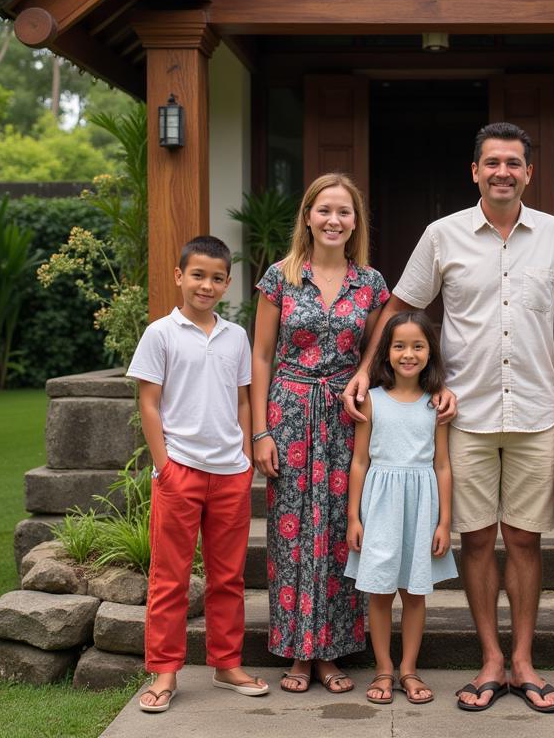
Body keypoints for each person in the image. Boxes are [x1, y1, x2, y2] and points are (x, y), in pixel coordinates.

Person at [344, 122, 554, 713]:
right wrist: (369, 369)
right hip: (462, 413)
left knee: (523, 540)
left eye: (513, 163)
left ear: (528, 172)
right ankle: (490, 660)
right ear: (475, 171)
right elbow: (400, 304)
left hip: (537, 412)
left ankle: (523, 661)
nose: (502, 172)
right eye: (491, 162)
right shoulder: (441, 235)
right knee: (475, 541)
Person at [250, 174, 391, 694]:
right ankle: (296, 654)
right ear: (307, 216)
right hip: (288, 415)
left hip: (345, 417)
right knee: (290, 534)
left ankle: (330, 654)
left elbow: (377, 354)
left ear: (356, 223)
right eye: (325, 211)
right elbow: (261, 356)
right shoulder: (279, 278)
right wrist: (260, 430)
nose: (334, 221)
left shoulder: (371, 284)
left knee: (339, 532)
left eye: (345, 212)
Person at [128, 235, 266, 714]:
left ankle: (227, 664)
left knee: (227, 577)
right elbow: (148, 401)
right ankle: (165, 672)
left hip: (231, 472)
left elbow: (245, 399)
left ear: (227, 283)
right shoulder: (160, 334)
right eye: (198, 275)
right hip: (180, 470)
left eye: (216, 278)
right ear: (179, 276)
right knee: (171, 578)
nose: (206, 285)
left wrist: (246, 457)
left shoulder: (236, 336)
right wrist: (164, 466)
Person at [345, 310, 458, 706]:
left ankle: (409, 669)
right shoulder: (372, 400)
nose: (408, 354)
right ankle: (383, 668)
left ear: (430, 352)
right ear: (386, 353)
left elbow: (443, 465)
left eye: (417, 346)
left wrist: (444, 521)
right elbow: (359, 462)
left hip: (421, 503)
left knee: (414, 592)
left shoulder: (436, 404)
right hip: (380, 504)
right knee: (378, 591)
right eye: (399, 346)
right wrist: (353, 517)